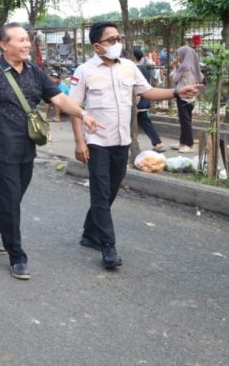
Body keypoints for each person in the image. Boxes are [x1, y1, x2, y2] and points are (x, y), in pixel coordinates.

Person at [0, 23, 100, 280]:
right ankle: (17, 257)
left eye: (27, 39)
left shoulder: (34, 72)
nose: (27, 44)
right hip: (0, 149)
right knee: (11, 202)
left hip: (26, 147)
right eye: (20, 40)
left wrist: (82, 113)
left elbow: (58, 98)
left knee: (13, 198)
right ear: (4, 45)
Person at [70, 22, 203, 269]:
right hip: (97, 142)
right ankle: (108, 247)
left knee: (110, 191)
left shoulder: (129, 67)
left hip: (122, 141)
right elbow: (74, 108)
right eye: (111, 40)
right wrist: (80, 142)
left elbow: (148, 92)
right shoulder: (85, 71)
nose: (117, 43)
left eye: (118, 38)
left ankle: (90, 233)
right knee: (100, 193)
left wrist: (177, 92)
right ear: (97, 46)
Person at [170, 44, 203, 153]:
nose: (178, 57)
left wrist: (174, 68)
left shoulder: (183, 67)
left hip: (183, 96)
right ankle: (182, 143)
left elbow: (174, 79)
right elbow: (201, 77)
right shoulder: (194, 67)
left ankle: (189, 145)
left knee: (185, 122)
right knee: (186, 121)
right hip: (192, 97)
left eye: (179, 55)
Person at [132, 48, 164, 152]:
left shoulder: (133, 69)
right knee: (146, 122)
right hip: (144, 101)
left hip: (137, 101)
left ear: (133, 57)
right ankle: (157, 142)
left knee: (132, 124)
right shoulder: (144, 69)